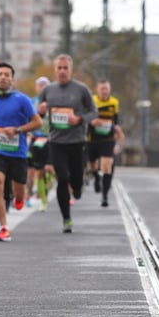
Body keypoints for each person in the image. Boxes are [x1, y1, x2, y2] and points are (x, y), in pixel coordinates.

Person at [0, 62, 42, 242]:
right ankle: (4, 227)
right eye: (0, 74)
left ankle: (19, 199)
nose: (3, 77)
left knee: (19, 192)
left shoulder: (22, 100)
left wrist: (18, 130)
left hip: (18, 152)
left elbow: (37, 122)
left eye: (7, 75)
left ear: (12, 80)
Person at [37, 54, 97, 233]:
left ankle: (77, 187)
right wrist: (40, 112)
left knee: (76, 178)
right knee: (62, 178)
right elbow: (38, 115)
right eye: (59, 68)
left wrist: (78, 119)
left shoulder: (81, 89)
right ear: (55, 70)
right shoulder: (48, 90)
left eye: (65, 68)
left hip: (77, 141)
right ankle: (66, 218)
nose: (62, 71)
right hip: (56, 141)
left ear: (71, 70)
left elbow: (93, 112)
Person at [89, 79, 120, 207]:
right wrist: (92, 121)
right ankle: (96, 177)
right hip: (92, 138)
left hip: (108, 139)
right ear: (97, 90)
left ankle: (105, 196)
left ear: (109, 90)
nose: (104, 92)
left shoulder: (114, 102)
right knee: (93, 165)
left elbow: (116, 121)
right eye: (102, 89)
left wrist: (117, 136)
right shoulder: (92, 101)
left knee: (107, 167)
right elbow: (85, 117)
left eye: (106, 89)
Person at [27, 76, 53, 211]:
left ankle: (48, 186)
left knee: (50, 169)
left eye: (45, 85)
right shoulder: (32, 102)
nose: (42, 88)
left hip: (51, 140)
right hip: (36, 140)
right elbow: (27, 119)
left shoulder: (54, 101)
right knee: (39, 172)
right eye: (40, 85)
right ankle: (43, 200)